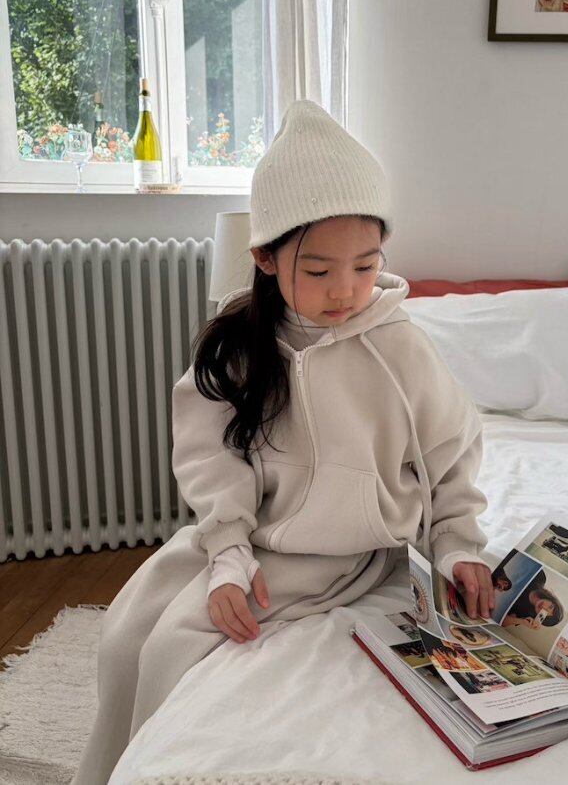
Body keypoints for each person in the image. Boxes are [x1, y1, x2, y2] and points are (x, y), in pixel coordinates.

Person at [72, 100, 494, 784]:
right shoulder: (239, 347)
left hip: (341, 553)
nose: (346, 291)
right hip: (246, 535)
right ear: (265, 257)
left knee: (171, 647)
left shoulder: (400, 346)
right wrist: (228, 553)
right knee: (123, 637)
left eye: (366, 266)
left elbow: (450, 456)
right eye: (319, 271)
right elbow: (214, 462)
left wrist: (458, 545)